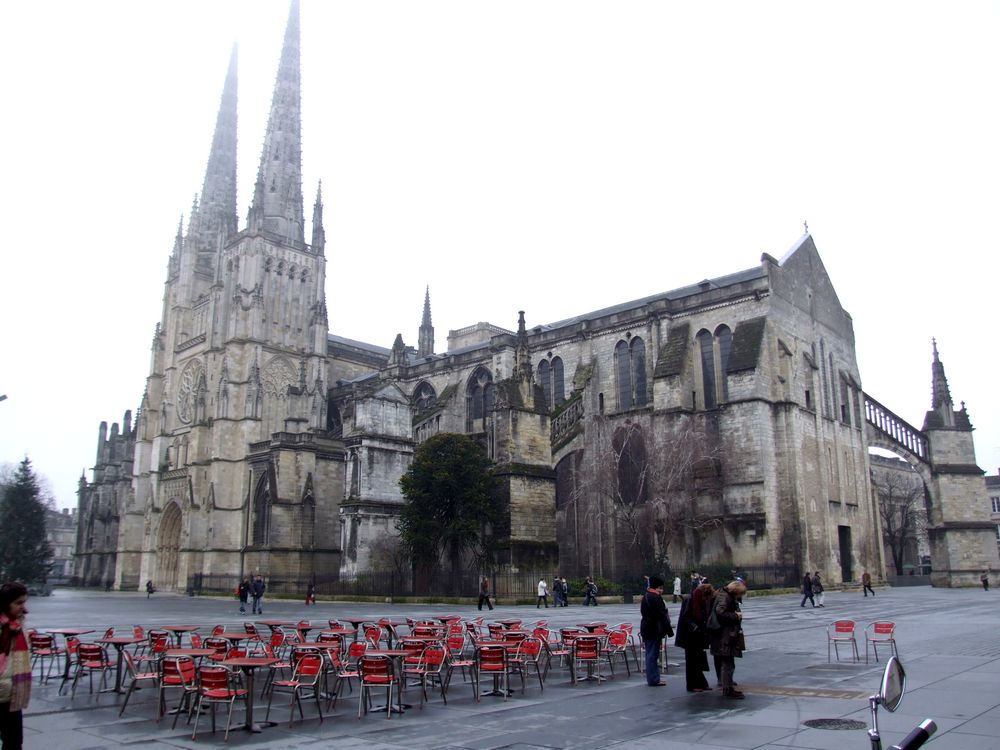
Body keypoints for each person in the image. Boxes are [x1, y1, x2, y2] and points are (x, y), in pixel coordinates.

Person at [0, 581, 31, 749]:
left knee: (14, 742)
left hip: (13, 692)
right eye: (18, 603)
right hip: (3, 688)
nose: (22, 606)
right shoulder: (4, 626)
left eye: (24, 602)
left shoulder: (19, 623)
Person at [709, 578, 747, 699]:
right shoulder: (725, 597)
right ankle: (728, 689)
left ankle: (728, 687)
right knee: (727, 662)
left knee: (728, 662)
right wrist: (736, 616)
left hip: (724, 634)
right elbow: (721, 612)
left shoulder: (723, 594)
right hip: (724, 635)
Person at [675, 582, 713, 692]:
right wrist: (695, 627)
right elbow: (686, 617)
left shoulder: (696, 598)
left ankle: (701, 683)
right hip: (690, 636)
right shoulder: (691, 599)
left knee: (698, 659)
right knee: (692, 661)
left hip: (697, 634)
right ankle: (692, 685)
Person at [639, 576, 674, 686]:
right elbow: (662, 615)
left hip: (646, 627)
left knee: (650, 654)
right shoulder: (656, 598)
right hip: (654, 629)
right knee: (653, 656)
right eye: (661, 588)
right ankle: (654, 679)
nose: (662, 590)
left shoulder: (646, 596)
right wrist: (669, 630)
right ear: (657, 587)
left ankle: (653, 678)